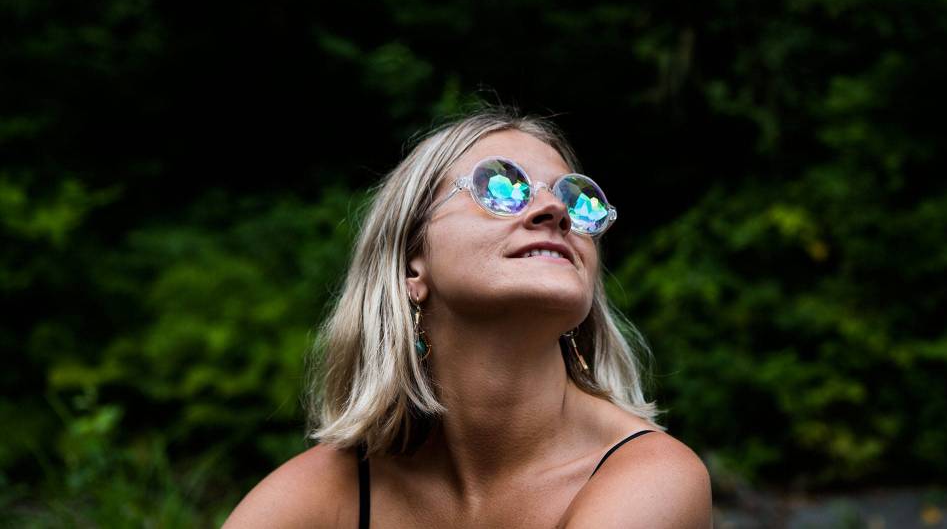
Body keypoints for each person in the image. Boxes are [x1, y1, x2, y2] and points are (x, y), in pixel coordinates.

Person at [224, 109, 712, 528]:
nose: (554, 211)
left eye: (575, 201)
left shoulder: (653, 476)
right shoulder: (330, 490)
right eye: (502, 187)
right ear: (411, 262)